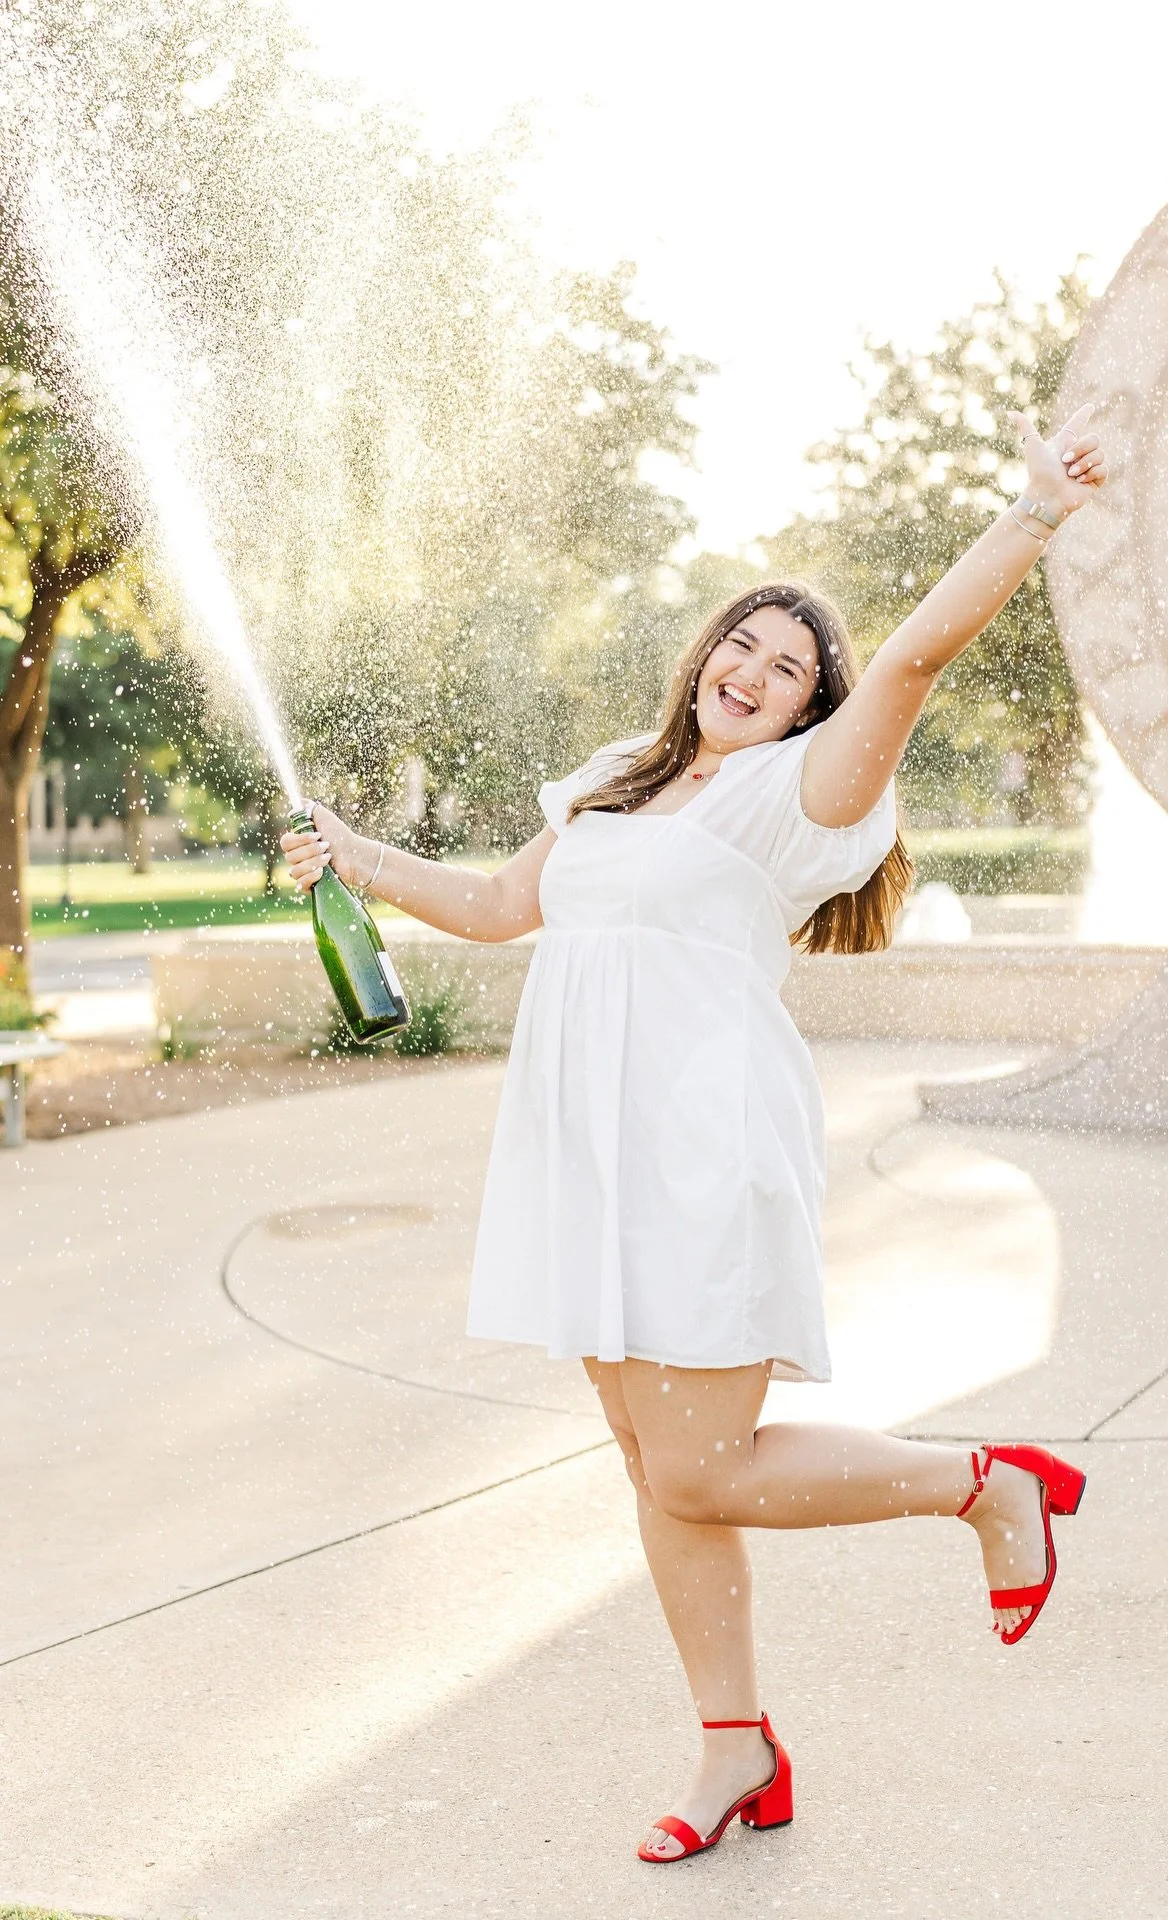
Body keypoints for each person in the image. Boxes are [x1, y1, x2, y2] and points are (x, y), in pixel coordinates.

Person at [282, 404, 1107, 1864]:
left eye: (790, 669)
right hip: (584, 1147)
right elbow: (490, 907)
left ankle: (990, 1488)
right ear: (706, 654)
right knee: (647, 1461)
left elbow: (913, 655)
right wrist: (347, 853)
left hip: (701, 1144)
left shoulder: (808, 794)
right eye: (745, 644)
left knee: (701, 1465)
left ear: (807, 709)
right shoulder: (622, 773)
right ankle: (739, 1751)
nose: (755, 672)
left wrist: (1033, 513)